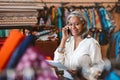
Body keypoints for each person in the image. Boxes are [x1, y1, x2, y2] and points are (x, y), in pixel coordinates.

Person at [53, 10, 105, 80]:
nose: (73, 27)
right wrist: (63, 39)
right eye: (70, 24)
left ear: (83, 24)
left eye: (77, 24)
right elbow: (58, 63)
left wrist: (81, 72)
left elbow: (99, 68)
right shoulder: (67, 42)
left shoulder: (92, 43)